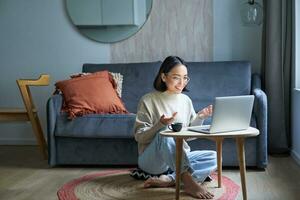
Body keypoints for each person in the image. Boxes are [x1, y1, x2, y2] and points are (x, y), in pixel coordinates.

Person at [134, 56, 217, 199]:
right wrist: (160, 125)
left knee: (214, 157)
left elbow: (189, 136)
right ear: (164, 77)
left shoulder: (186, 100)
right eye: (176, 77)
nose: (182, 83)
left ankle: (170, 179)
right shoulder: (148, 100)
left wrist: (200, 117)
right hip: (153, 161)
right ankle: (188, 181)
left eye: (185, 78)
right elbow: (139, 136)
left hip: (178, 157)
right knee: (164, 132)